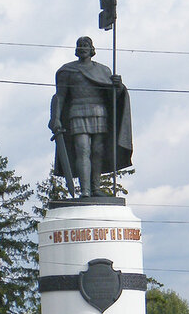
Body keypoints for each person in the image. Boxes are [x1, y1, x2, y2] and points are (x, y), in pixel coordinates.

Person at [50, 36, 132, 198]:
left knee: (97, 151)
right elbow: (60, 97)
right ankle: (85, 190)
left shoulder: (104, 71)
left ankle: (95, 188)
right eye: (79, 45)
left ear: (91, 48)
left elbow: (112, 98)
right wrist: (56, 118)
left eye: (85, 45)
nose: (82, 48)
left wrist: (119, 87)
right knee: (83, 150)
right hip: (77, 112)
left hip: (99, 112)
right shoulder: (67, 71)